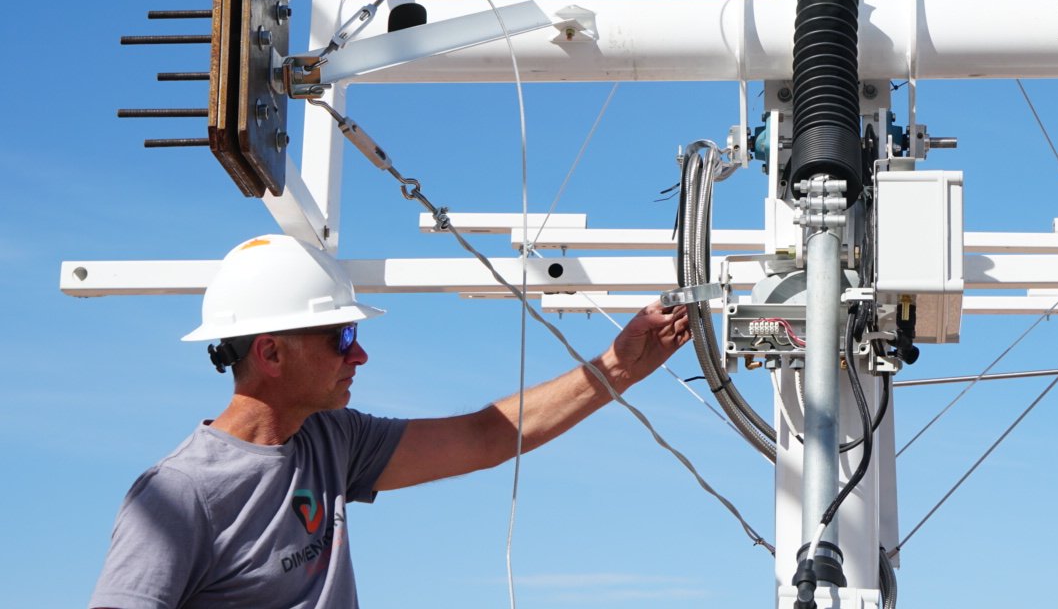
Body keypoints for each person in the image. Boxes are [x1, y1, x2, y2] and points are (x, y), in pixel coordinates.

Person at [90, 234, 690, 609]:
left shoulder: (330, 440)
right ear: (270, 354)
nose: (359, 354)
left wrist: (618, 367)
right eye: (341, 336)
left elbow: (485, 436)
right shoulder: (180, 493)